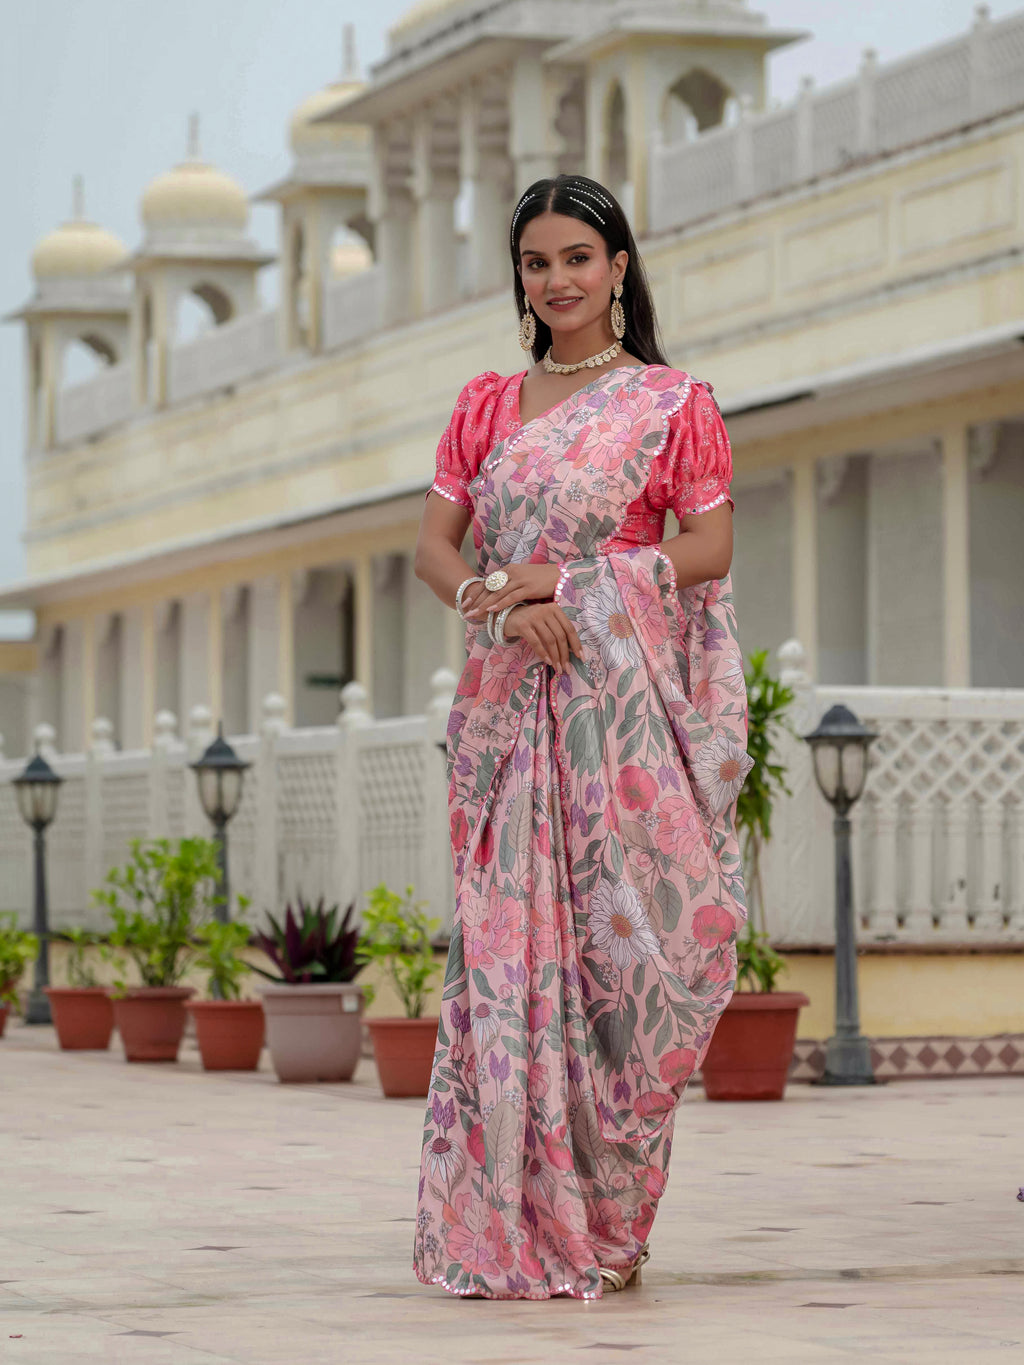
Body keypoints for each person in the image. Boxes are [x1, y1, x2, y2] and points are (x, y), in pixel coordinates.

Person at [411, 174, 754, 1301]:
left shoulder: (671, 402)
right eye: (535, 262)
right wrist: (501, 606)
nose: (556, 280)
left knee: (634, 969)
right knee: (512, 965)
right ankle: (514, 1220)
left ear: (617, 267)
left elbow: (708, 551)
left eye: (576, 258)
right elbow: (435, 551)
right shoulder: (484, 406)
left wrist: (569, 580)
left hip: (625, 722)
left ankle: (608, 1219)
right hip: (512, 716)